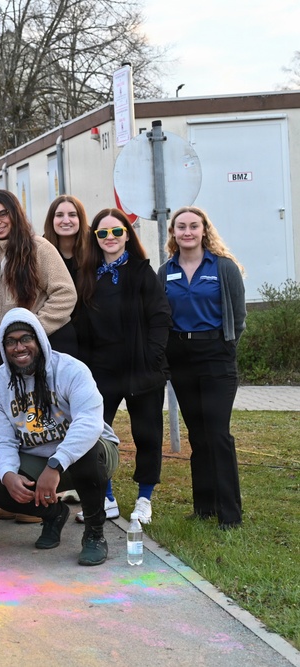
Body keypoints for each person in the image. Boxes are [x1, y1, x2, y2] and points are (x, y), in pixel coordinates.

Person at [0, 309, 120, 566]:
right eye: (10, 342)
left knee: (85, 454)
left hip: (93, 452)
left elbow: (89, 424)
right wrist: (8, 473)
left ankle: (94, 533)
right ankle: (54, 515)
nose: (18, 347)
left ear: (39, 340)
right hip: (38, 456)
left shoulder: (71, 370)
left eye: (25, 338)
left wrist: (56, 464)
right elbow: (0, 439)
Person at [72, 209, 171, 524]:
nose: (110, 238)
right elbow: (79, 323)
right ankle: (107, 496)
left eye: (117, 232)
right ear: (95, 238)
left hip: (142, 369)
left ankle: (144, 499)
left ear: (128, 234)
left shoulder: (142, 272)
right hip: (101, 371)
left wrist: (153, 356)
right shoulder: (86, 275)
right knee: (95, 434)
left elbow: (160, 316)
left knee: (148, 434)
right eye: (103, 233)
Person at [159, 206, 246, 530]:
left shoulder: (223, 268)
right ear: (173, 233)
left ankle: (230, 514)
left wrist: (224, 347)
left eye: (193, 226)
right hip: (180, 356)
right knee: (197, 433)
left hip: (216, 356)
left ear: (204, 230)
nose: (187, 232)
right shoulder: (165, 271)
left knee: (218, 433)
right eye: (181, 227)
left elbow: (237, 316)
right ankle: (204, 507)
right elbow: (160, 315)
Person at [0, 189, 78, 360]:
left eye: (3, 214)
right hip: (8, 354)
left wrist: (33, 330)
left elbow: (65, 293)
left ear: (15, 213)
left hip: (49, 346)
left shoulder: (39, 248)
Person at [42, 195, 92, 282]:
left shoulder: (94, 245)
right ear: (51, 220)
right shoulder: (40, 249)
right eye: (59, 215)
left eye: (72, 215)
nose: (66, 221)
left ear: (81, 219)